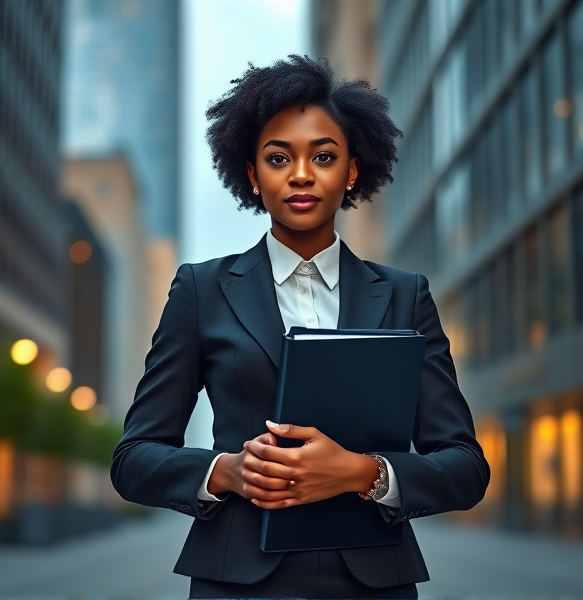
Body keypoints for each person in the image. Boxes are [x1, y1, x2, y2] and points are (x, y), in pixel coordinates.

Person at [111, 55, 490, 599]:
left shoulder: (406, 296)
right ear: (252, 174)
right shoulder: (201, 290)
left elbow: (465, 467)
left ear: (352, 170)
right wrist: (228, 471)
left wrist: (365, 473)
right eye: (278, 157)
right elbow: (134, 459)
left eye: (325, 156)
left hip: (375, 581)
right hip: (236, 580)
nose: (302, 174)